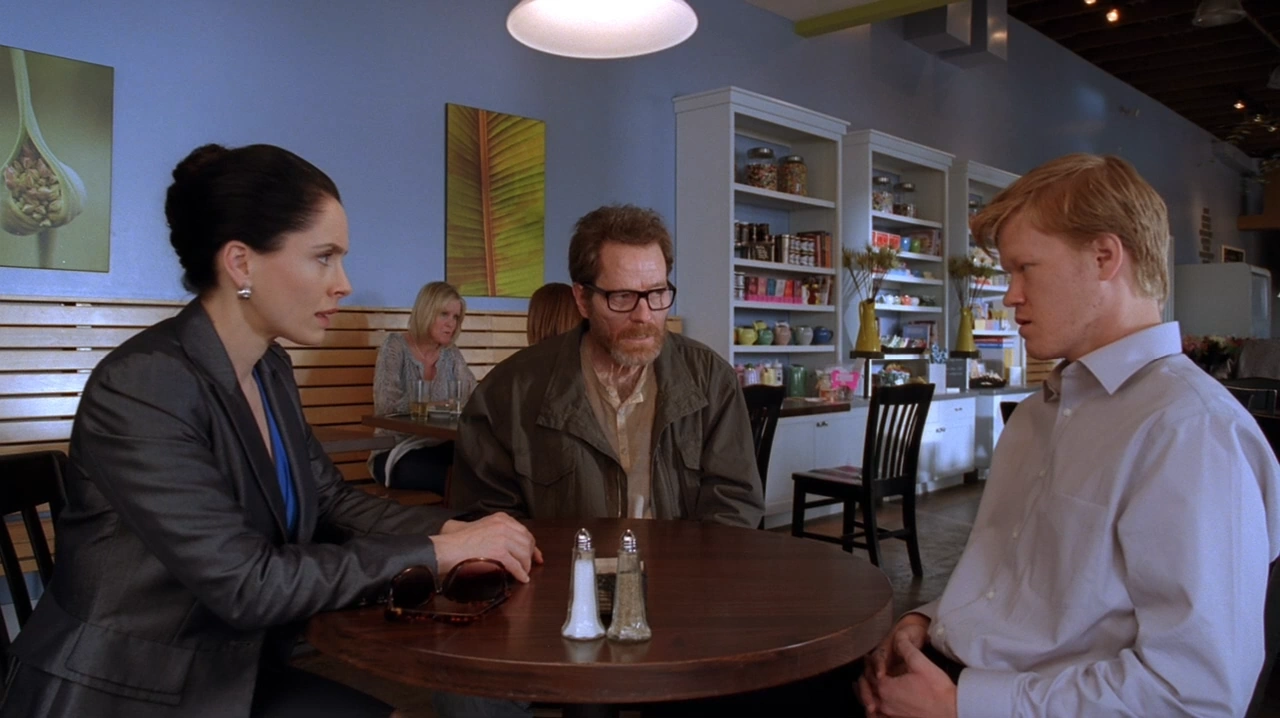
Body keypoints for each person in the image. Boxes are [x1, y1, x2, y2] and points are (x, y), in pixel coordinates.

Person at [0, 144, 540, 718]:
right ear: (241, 263)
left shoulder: (269, 367)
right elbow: (246, 583)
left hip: (232, 665)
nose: (343, 283)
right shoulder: (143, 386)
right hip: (131, 689)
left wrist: (459, 528)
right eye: (324, 258)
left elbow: (330, 501)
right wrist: (440, 552)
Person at [857, 154, 1280, 718]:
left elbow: (1195, 695)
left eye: (1025, 268)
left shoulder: (1191, 432)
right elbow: (1025, 588)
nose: (1010, 295)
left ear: (1104, 256)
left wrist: (962, 707)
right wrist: (928, 621)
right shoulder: (1038, 414)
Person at [452, 204, 763, 527]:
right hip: (563, 561)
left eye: (657, 293)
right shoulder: (508, 393)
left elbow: (733, 506)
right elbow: (487, 523)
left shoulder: (711, 380)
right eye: (622, 297)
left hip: (683, 561)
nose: (644, 315)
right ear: (582, 299)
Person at [370, 281, 477, 493]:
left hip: (440, 445)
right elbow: (386, 406)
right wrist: (438, 406)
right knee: (459, 480)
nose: (451, 324)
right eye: (444, 314)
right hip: (395, 450)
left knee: (486, 470)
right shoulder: (395, 345)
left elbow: (475, 397)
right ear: (426, 312)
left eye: (456, 317)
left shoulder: (451, 354)